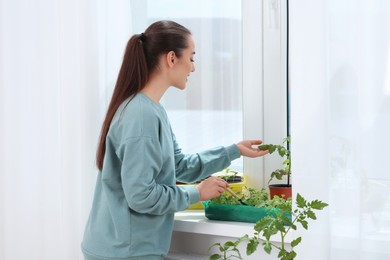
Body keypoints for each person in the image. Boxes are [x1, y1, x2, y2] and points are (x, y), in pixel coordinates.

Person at [81, 20, 268, 260]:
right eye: (191, 58)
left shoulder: (152, 109)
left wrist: (233, 151)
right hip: (124, 252)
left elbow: (179, 166)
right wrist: (197, 193)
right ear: (171, 58)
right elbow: (141, 196)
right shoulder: (141, 115)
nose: (193, 68)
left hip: (124, 249)